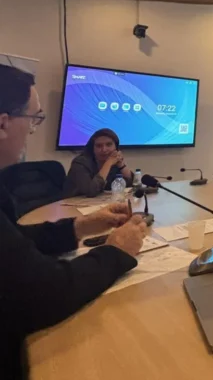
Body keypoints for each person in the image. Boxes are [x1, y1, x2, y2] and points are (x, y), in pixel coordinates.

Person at [0, 64, 147, 379]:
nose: (33, 130)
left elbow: (13, 242)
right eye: (34, 118)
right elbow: (44, 293)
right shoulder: (82, 162)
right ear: (3, 123)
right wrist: (116, 252)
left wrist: (79, 227)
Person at [65, 128, 134, 197]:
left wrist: (121, 165)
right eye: (99, 146)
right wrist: (108, 163)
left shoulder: (114, 163)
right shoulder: (80, 163)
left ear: (116, 147)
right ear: (92, 148)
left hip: (100, 202)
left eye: (109, 144)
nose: (104, 150)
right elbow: (90, 191)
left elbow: (132, 185)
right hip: (73, 202)